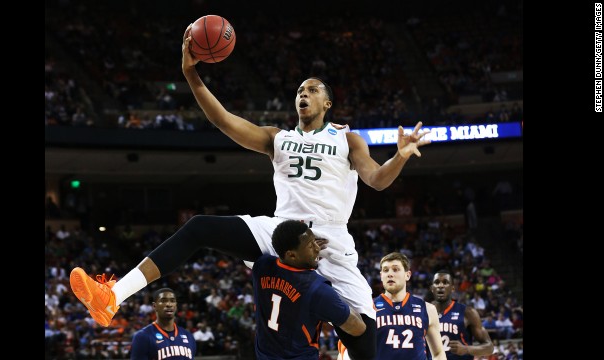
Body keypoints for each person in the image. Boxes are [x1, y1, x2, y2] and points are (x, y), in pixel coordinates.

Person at [69, 23, 431, 360]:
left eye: (313, 90)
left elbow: (378, 180)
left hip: (329, 237)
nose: (304, 94)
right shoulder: (279, 138)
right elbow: (223, 120)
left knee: (364, 334)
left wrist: (399, 156)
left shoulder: (347, 138)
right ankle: (112, 296)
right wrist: (191, 73)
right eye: (300, 90)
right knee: (199, 227)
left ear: (327, 104)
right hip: (280, 230)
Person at [252, 219, 365, 359]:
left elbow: (286, 272)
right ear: (291, 255)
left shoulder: (261, 266)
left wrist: (305, 253)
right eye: (310, 246)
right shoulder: (317, 290)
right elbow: (358, 328)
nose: (317, 248)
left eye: (314, 242)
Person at [338, 252, 446, 360]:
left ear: (407, 275)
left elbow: (438, 353)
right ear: (381, 276)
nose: (390, 274)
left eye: (395, 269)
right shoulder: (367, 308)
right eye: (385, 270)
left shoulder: (427, 309)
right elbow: (345, 351)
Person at [428, 270, 494, 359]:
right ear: (432, 288)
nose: (440, 285)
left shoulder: (468, 312)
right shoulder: (422, 312)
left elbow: (489, 347)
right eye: (437, 282)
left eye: (445, 282)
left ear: (452, 288)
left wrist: (466, 349)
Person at [130, 288, 196, 360]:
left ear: (176, 306)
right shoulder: (142, 336)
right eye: (163, 301)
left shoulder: (188, 336)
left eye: (172, 301)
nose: (169, 304)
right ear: (155, 306)